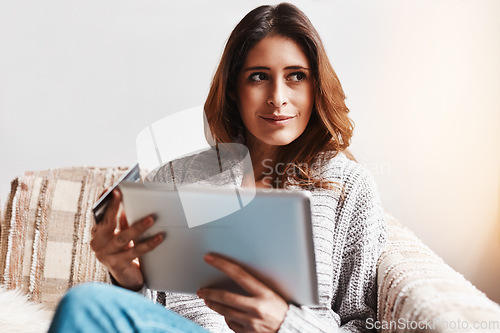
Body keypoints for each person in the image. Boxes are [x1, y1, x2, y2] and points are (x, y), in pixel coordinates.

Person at [49, 3, 386, 332]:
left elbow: (365, 324)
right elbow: (151, 313)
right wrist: (129, 280)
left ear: (317, 87)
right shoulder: (176, 177)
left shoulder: (349, 186)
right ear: (234, 91)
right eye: (258, 77)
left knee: (85, 302)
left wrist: (285, 324)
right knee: (87, 304)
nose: (278, 97)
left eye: (296, 76)